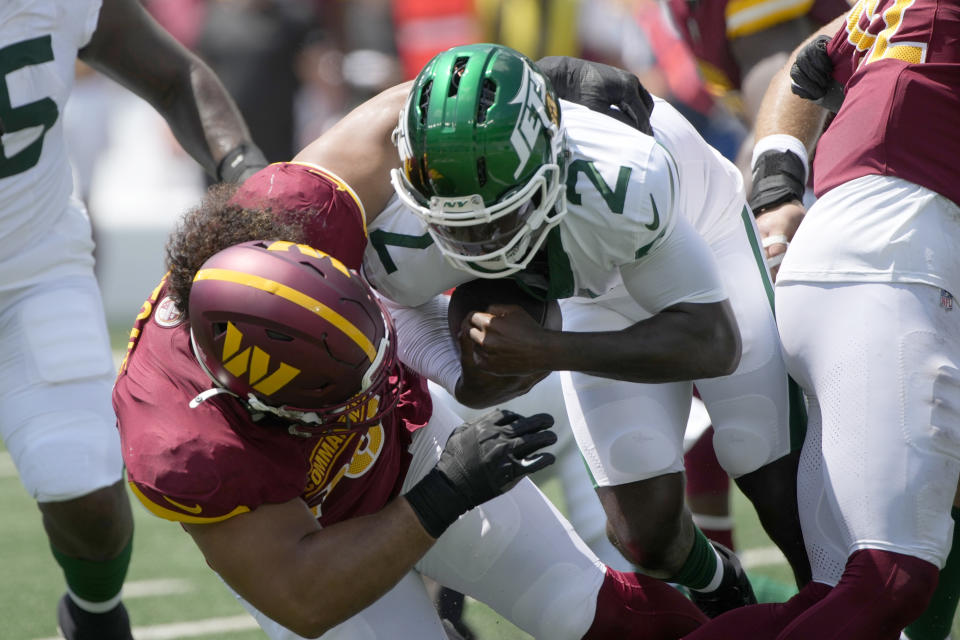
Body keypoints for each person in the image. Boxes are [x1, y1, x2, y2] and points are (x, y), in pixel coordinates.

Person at [112, 86, 713, 636]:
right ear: (257, 399)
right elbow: (302, 596)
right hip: (313, 531)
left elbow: (421, 111)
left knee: (592, 610)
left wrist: (535, 90)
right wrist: (447, 491)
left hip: (408, 442)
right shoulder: (184, 443)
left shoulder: (292, 213)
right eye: (340, 387)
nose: (366, 384)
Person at [360, 43, 813, 618]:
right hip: (579, 282)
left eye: (498, 216)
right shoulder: (406, 234)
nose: (479, 242)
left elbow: (711, 341)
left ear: (551, 162)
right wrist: (459, 373)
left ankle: (856, 614)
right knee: (645, 537)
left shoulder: (623, 179)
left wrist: (549, 349)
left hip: (699, 238)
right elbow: (391, 303)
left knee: (767, 463)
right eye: (458, 223)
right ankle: (723, 587)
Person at [681, 2, 960, 638]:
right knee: (892, 578)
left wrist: (778, 192)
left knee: (834, 595)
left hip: (850, 259)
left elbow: (806, 64)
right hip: (895, 264)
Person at [0, 1, 266, 638]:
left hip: (30, 271)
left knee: (85, 485)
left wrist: (247, 173)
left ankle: (93, 616)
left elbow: (174, 75)